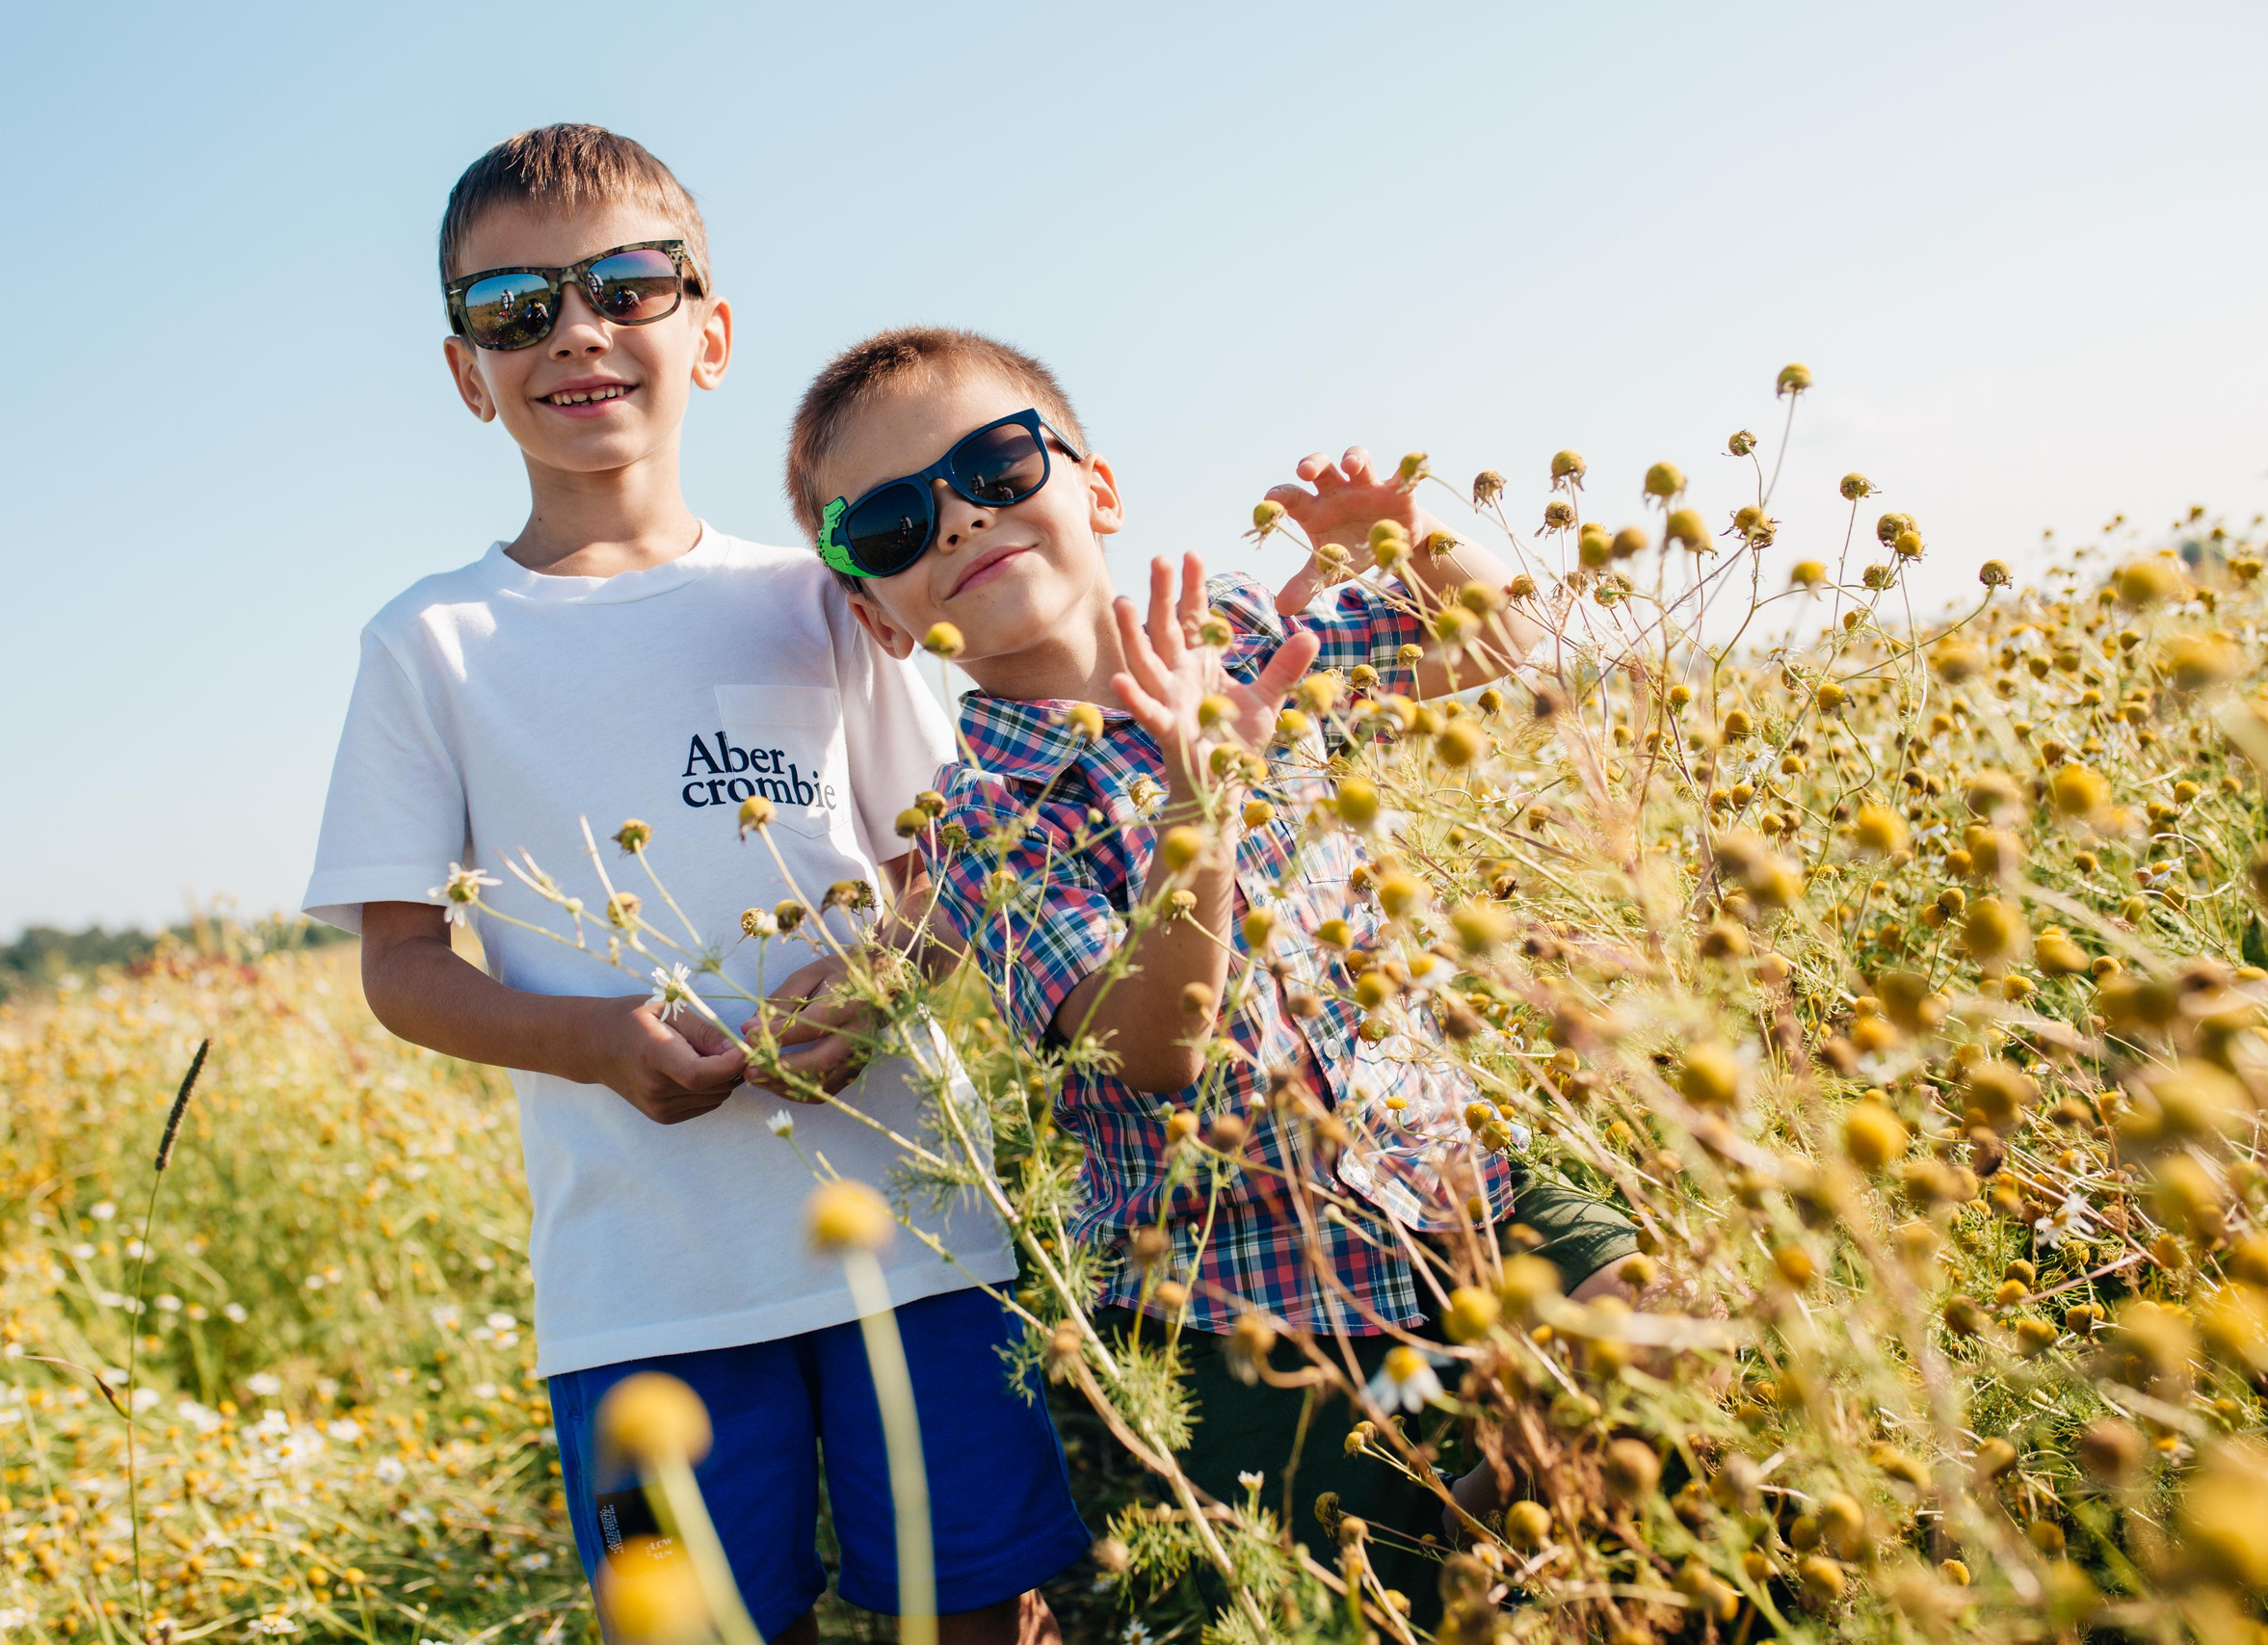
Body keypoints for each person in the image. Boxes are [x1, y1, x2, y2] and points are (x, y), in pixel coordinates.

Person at [303, 132, 1084, 1645]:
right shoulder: (432, 644)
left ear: (708, 333)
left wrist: (870, 987)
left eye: (627, 285)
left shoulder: (829, 593)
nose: (576, 333)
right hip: (645, 1290)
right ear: (467, 370)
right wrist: (597, 1041)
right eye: (515, 305)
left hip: (913, 1236)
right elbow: (400, 963)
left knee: (981, 1609)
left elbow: (952, 862)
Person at [785, 327, 1646, 1615]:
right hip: (1246, 1315)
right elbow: (1151, 1048)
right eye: (895, 525)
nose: (960, 518)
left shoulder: (1244, 635)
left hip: (1455, 1191)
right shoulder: (974, 823)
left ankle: (1534, 1552)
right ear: (879, 617)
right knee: (1341, 1596)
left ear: (1099, 491)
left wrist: (1408, 530)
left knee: (1649, 1339)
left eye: (999, 464)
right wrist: (1202, 812)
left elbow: (1496, 644)